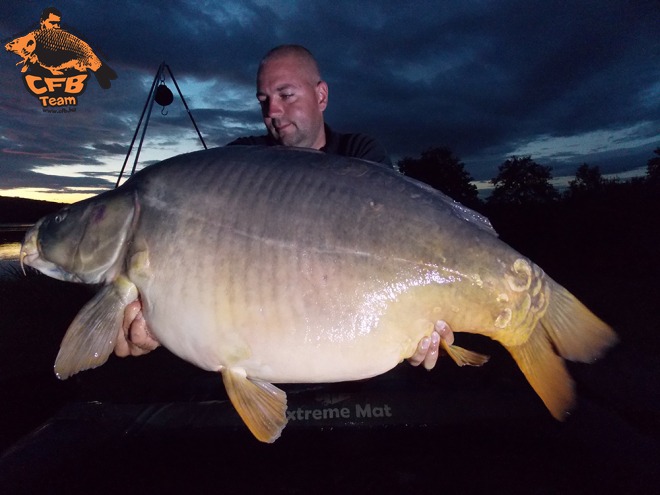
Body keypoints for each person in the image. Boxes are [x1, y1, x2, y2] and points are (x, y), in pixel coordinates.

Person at [115, 44, 449, 369]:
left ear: (321, 96)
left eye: (286, 95)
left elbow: (397, 253)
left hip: (348, 342)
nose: (272, 112)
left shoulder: (360, 155)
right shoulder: (239, 162)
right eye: (264, 100)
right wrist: (161, 316)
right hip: (262, 336)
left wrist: (421, 320)